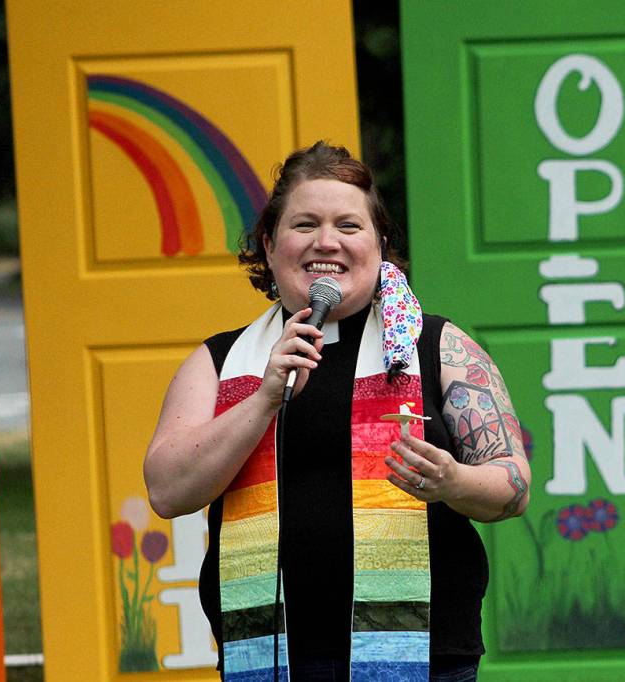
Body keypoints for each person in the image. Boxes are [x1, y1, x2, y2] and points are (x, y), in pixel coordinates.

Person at [145, 141, 530, 682]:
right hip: (276, 658)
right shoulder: (221, 360)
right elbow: (166, 490)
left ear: (380, 245)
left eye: (349, 226)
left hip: (425, 656)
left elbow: (513, 485)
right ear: (269, 244)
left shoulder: (437, 347)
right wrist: (263, 399)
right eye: (305, 224)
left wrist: (452, 481)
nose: (326, 241)